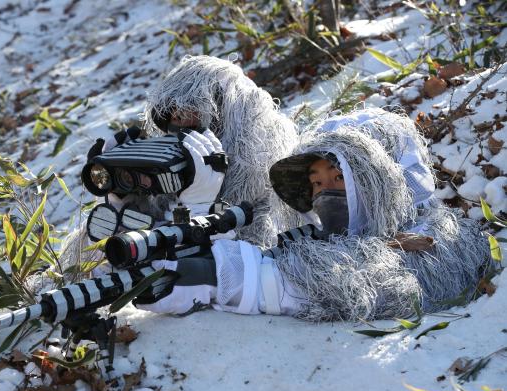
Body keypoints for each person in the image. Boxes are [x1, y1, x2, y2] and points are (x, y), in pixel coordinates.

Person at [135, 123, 491, 321]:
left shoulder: (438, 232)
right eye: (317, 184)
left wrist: (218, 278)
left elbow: (358, 283)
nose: (325, 193)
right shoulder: (320, 237)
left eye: (340, 179)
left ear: (383, 180)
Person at [54, 55, 300, 284]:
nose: (181, 125)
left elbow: (241, 247)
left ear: (222, 111)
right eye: (175, 116)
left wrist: (198, 204)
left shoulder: (257, 150)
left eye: (192, 115)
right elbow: (143, 231)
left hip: (232, 262)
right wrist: (123, 189)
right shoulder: (170, 155)